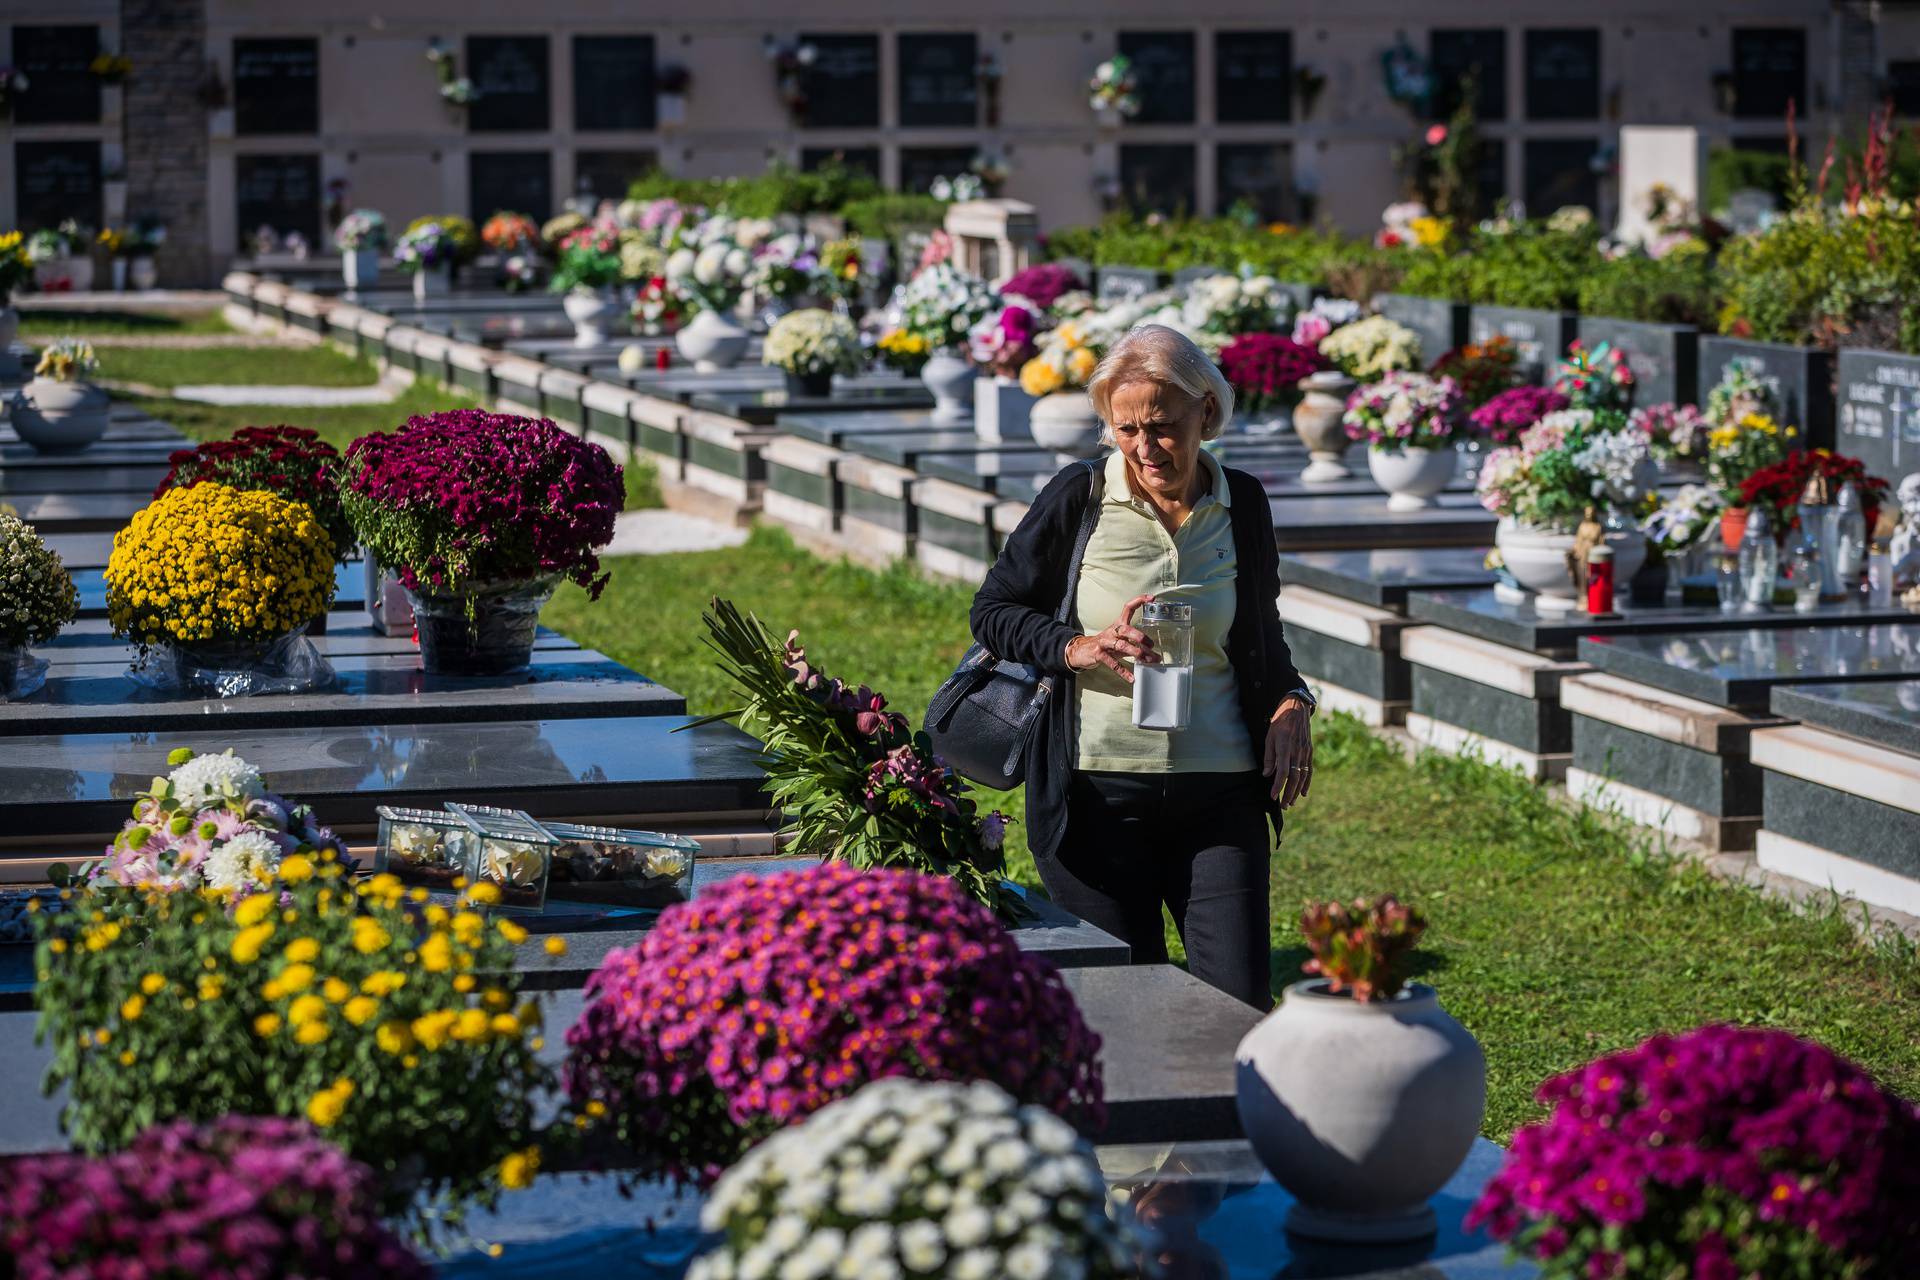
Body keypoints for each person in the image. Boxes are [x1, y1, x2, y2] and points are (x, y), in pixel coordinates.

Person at [969, 324, 1315, 1010]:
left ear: (1206, 413)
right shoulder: (1079, 497)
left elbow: (1261, 637)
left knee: (1238, 1007)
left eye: (1162, 426)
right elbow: (994, 611)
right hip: (1095, 795)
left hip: (1220, 794)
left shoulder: (1242, 503)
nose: (1144, 447)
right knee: (1124, 1011)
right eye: (1125, 428)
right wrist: (1078, 646)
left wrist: (1292, 702)